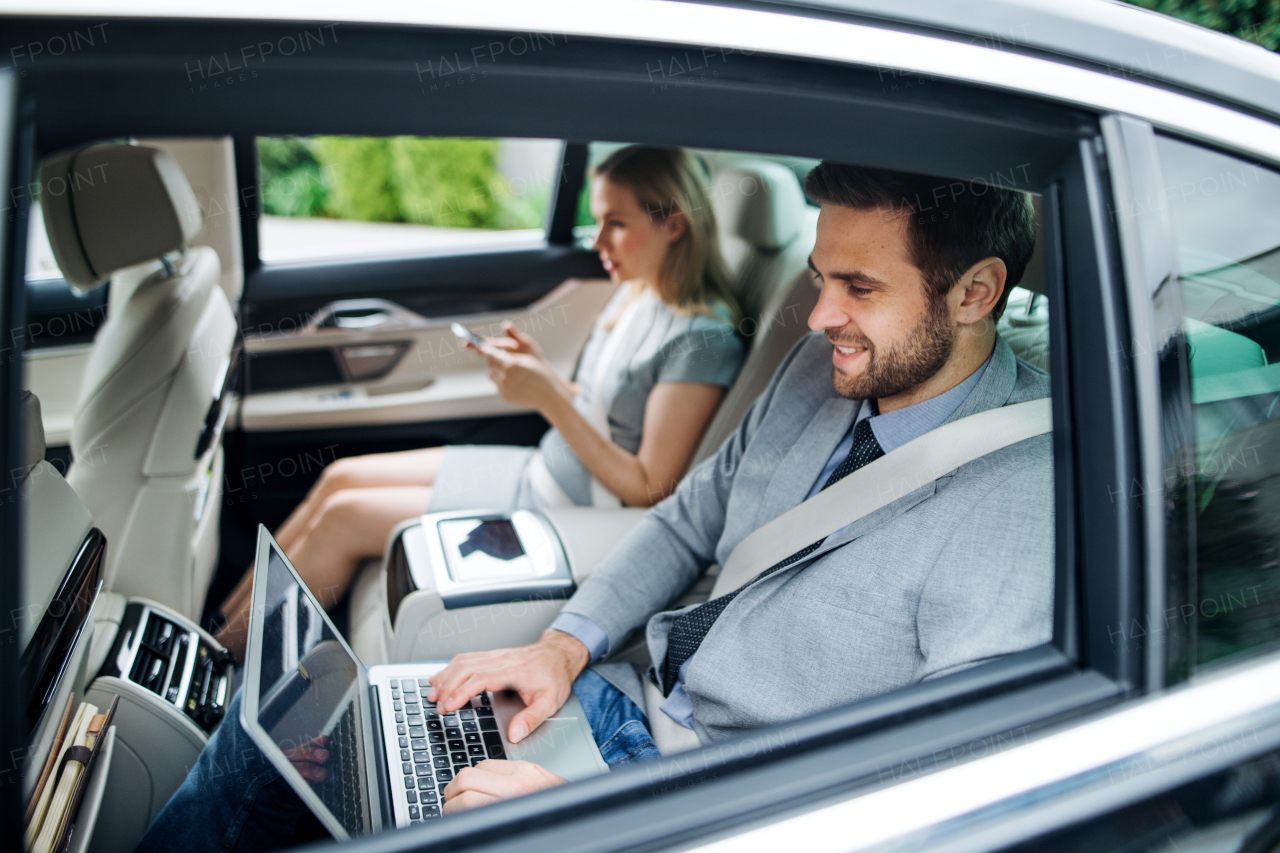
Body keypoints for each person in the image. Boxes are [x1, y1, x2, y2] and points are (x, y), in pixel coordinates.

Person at [135, 160, 1051, 849]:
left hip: (696, 804)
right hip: (614, 699)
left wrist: (612, 818)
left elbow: (933, 791)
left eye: (859, 288)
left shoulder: (1016, 503)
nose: (817, 319)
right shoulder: (818, 372)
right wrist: (561, 644)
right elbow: (688, 516)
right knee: (293, 741)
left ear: (975, 291)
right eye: (820, 277)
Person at [213, 146, 746, 659]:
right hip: (540, 470)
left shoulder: (702, 339)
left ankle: (222, 663)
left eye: (618, 223)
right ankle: (215, 634)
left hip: (570, 509)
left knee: (346, 517)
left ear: (674, 224)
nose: (599, 240)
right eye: (599, 218)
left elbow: (650, 487)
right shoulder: (637, 295)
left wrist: (548, 402)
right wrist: (543, 376)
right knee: (340, 478)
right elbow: (606, 413)